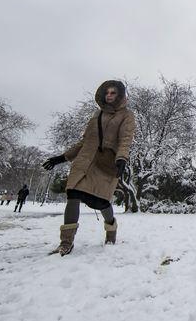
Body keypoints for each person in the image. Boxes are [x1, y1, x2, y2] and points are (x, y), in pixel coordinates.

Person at [42, 80, 135, 256]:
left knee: (101, 202)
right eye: (106, 92)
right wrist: (62, 157)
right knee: (73, 194)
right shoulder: (96, 115)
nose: (109, 95)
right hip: (84, 162)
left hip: (106, 164)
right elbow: (85, 141)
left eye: (113, 93)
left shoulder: (127, 116)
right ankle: (66, 243)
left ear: (120, 95)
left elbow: (126, 139)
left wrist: (121, 158)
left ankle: (111, 229)